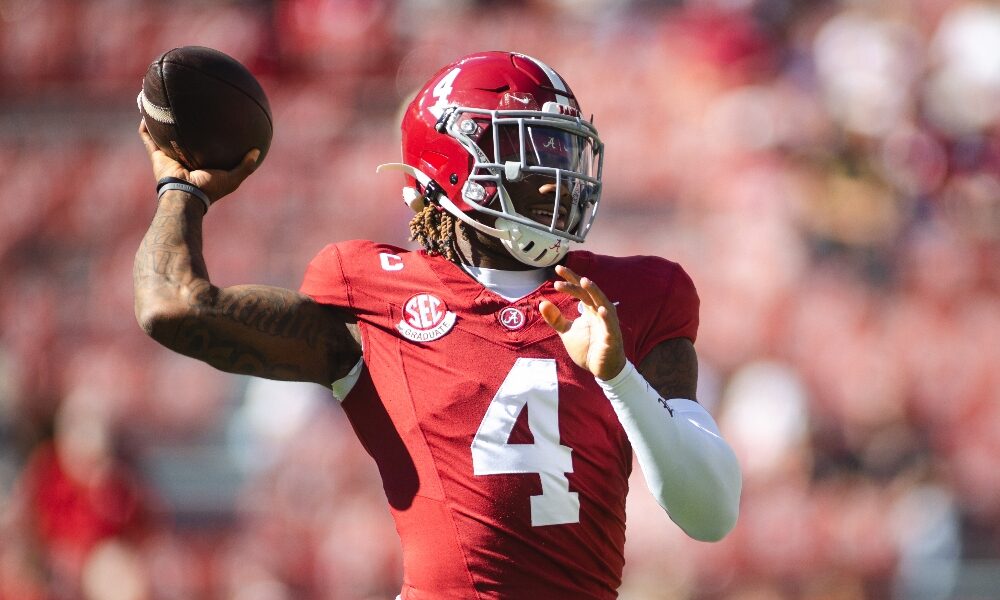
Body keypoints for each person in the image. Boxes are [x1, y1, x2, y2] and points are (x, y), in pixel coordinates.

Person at [134, 50, 742, 599]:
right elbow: (174, 308)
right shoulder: (373, 291)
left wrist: (619, 377)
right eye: (529, 151)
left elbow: (710, 514)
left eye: (562, 149)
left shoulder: (639, 294)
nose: (556, 175)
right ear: (449, 167)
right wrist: (180, 191)